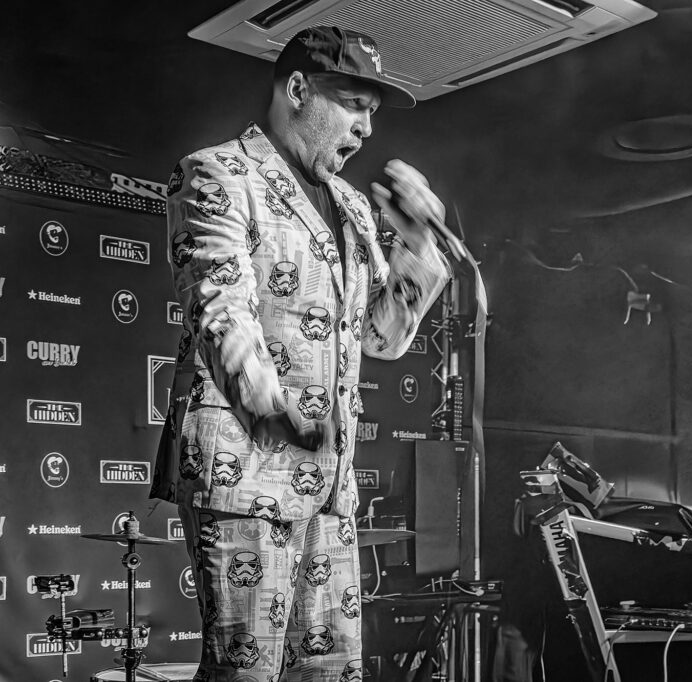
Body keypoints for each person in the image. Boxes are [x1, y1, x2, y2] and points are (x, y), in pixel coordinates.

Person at [149, 26, 453, 681]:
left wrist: (417, 244)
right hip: (244, 473)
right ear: (296, 89)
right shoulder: (218, 174)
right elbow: (219, 311)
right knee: (246, 674)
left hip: (329, 490)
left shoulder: (353, 207)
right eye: (354, 105)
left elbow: (382, 338)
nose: (366, 128)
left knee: (331, 673)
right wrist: (275, 413)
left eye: (373, 112)